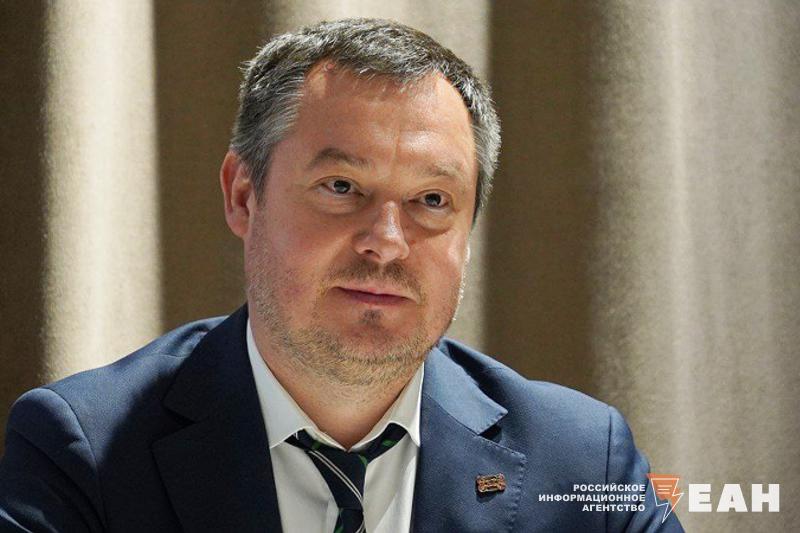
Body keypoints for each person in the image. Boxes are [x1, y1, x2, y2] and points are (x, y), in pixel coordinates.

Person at [0, 18, 683, 533]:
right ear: (244, 195)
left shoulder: (583, 460)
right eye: (341, 187)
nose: (386, 242)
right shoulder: (82, 450)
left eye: (432, 200)